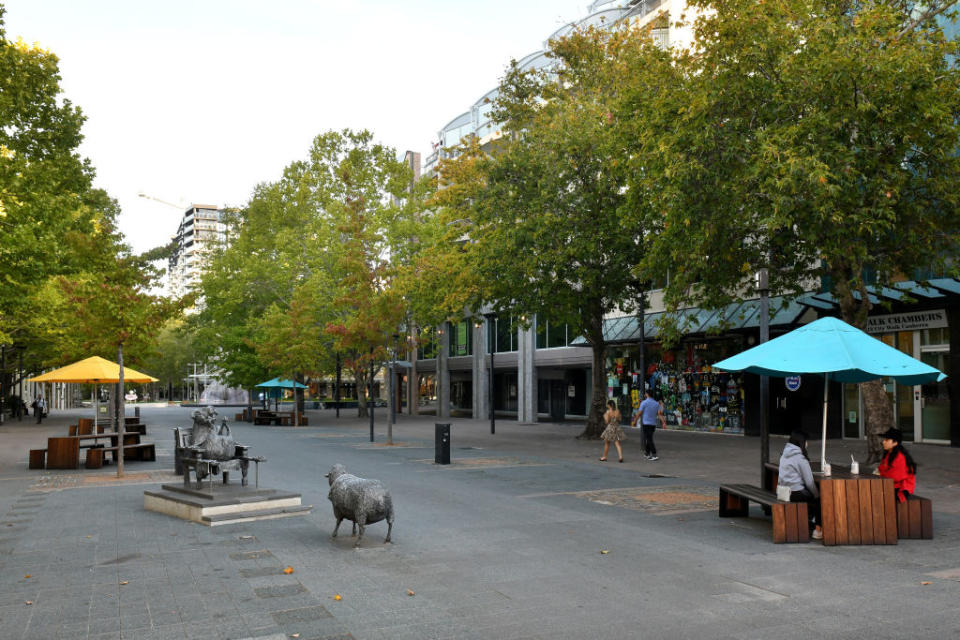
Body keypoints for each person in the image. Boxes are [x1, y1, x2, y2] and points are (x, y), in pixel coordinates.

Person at [778, 429, 822, 540]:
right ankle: (818, 530)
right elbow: (809, 482)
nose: (807, 443)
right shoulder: (800, 459)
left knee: (813, 496)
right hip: (797, 493)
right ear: (802, 442)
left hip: (784, 492)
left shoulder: (784, 455)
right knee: (821, 499)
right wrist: (817, 495)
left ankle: (812, 519)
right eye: (806, 441)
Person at [877, 427, 916, 503]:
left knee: (874, 493)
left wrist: (880, 474)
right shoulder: (889, 454)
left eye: (887, 440)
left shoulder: (900, 457)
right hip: (892, 485)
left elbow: (894, 477)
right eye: (884, 440)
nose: (883, 442)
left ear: (895, 443)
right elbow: (881, 469)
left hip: (901, 490)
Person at [632, 389, 661, 461]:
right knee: (649, 438)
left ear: (647, 394)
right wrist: (663, 422)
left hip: (646, 423)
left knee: (649, 439)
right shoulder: (656, 403)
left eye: (645, 393)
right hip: (653, 424)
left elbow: (639, 413)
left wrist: (635, 421)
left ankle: (654, 454)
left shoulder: (644, 403)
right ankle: (647, 453)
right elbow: (659, 414)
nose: (645, 394)